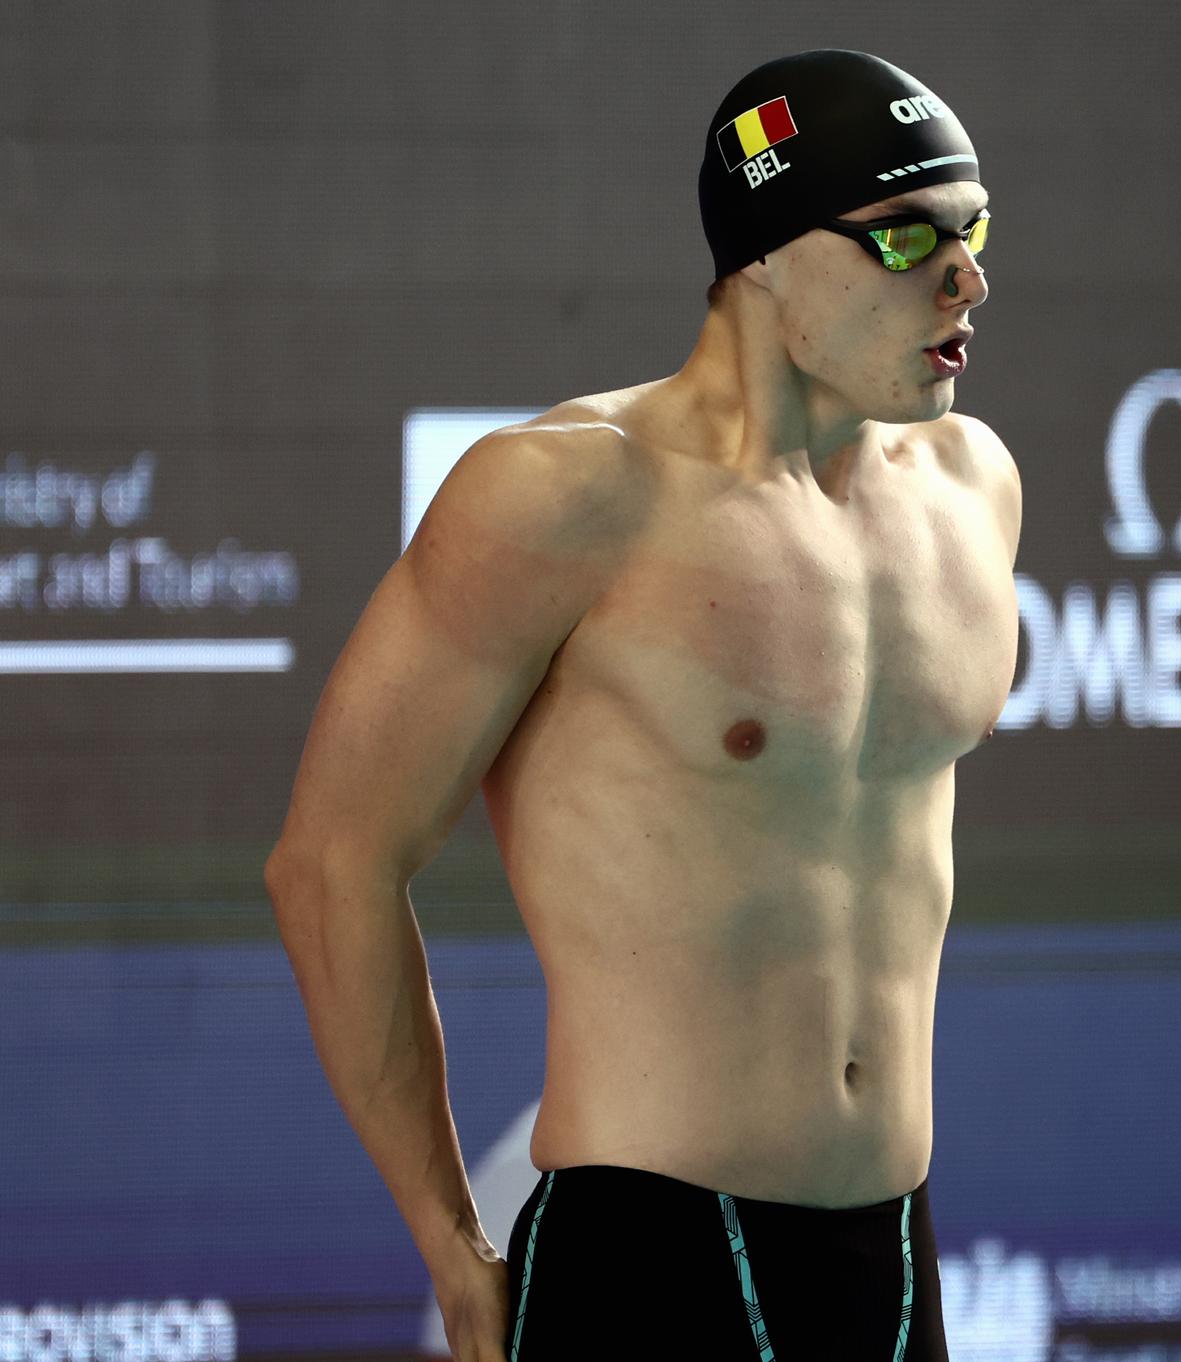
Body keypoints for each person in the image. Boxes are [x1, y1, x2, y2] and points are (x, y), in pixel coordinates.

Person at [264, 48, 1019, 1361]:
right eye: (908, 238)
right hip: (653, 1255)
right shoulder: (567, 499)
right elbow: (332, 861)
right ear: (766, 257)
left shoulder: (972, 488)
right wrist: (453, 1248)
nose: (966, 278)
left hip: (895, 1257)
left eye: (974, 231)